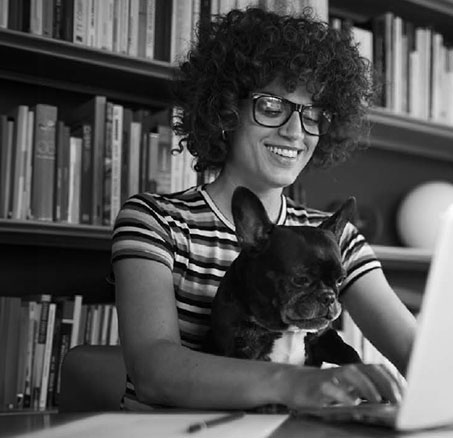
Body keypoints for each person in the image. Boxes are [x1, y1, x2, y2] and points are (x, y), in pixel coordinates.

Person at [111, 7, 416, 411]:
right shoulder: (158, 221)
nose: (294, 132)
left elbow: (417, 350)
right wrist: (294, 383)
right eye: (272, 107)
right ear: (225, 110)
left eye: (312, 115)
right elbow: (153, 371)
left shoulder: (331, 237)